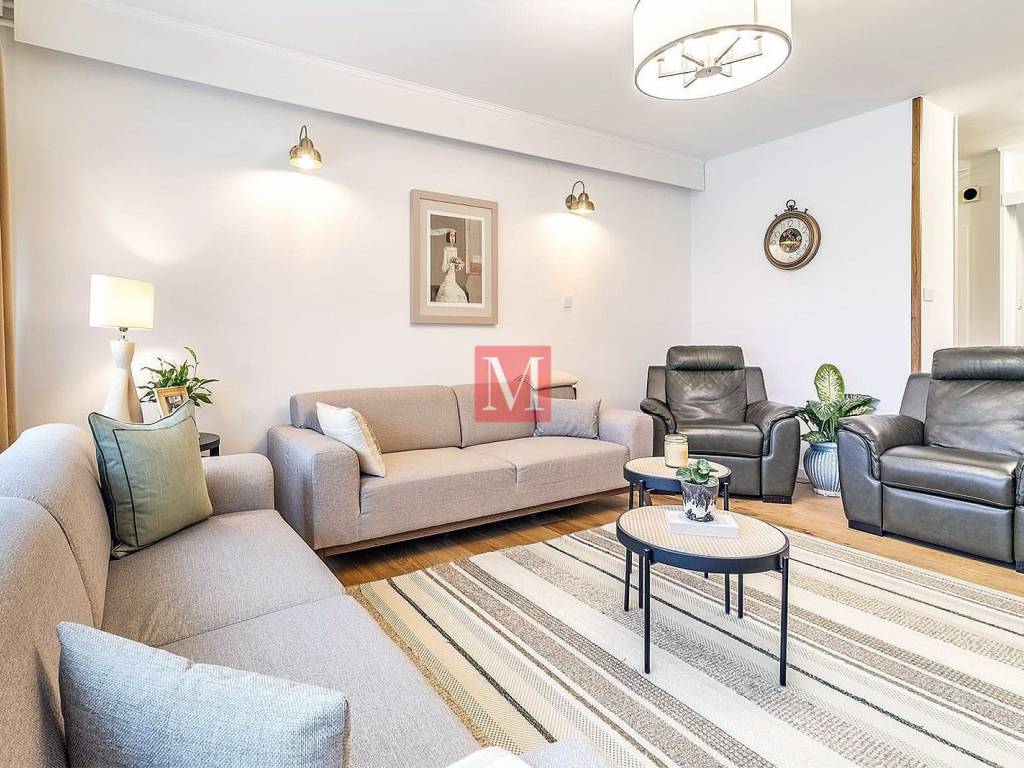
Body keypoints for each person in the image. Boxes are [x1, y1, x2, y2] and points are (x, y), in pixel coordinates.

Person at [435, 229, 468, 303]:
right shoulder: (446, 249)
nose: (453, 238)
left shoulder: (455, 250)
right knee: (449, 295)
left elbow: (455, 268)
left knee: (461, 295)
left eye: (454, 236)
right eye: (451, 236)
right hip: (447, 281)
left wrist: (459, 265)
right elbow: (443, 269)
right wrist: (450, 263)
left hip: (454, 281)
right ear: (448, 237)